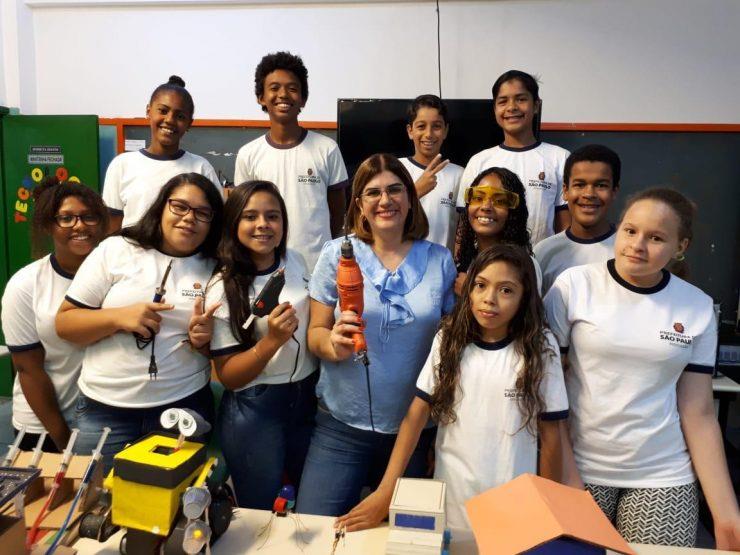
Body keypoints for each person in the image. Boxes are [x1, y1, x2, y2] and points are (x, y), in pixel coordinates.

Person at [544, 188, 740, 549]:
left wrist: (726, 514)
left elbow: (697, 413)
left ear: (680, 246)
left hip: (663, 475)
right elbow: (547, 393)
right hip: (579, 468)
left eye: (656, 237)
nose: (637, 245)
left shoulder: (695, 306)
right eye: (630, 231)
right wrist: (564, 473)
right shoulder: (575, 285)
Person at [337, 245, 570, 535]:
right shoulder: (449, 339)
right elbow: (415, 416)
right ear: (468, 289)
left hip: (517, 505)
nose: (489, 299)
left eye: (506, 290)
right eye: (481, 286)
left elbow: (552, 435)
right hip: (453, 502)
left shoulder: (540, 347)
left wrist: (547, 507)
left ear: (525, 298)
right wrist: (386, 493)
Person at [296, 153, 456, 516]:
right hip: (340, 427)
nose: (385, 200)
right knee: (315, 526)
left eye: (395, 189)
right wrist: (333, 345)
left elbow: (447, 348)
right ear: (359, 205)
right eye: (373, 193)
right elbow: (315, 333)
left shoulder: (439, 260)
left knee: (404, 540)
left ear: (411, 198)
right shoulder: (336, 254)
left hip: (414, 432)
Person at [56, 173, 224, 469]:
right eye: (180, 207)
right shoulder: (117, 249)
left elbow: (222, 353)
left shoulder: (217, 266)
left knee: (172, 505)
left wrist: (205, 342)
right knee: (96, 505)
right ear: (161, 207)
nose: (189, 218)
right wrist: (118, 317)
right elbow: (65, 324)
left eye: (202, 213)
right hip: (104, 411)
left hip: (182, 408)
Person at [208, 180, 317, 509]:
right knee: (258, 509)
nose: (263, 225)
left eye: (272, 216)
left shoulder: (294, 260)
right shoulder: (223, 286)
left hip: (306, 399)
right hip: (256, 409)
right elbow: (229, 376)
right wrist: (271, 341)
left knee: (307, 504)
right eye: (250, 216)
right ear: (234, 223)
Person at [1, 179, 108, 452]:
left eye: (88, 217)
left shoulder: (117, 276)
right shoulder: (26, 284)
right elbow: (28, 369)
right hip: (45, 423)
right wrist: (62, 438)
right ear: (49, 225)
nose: (80, 226)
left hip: (105, 418)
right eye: (66, 218)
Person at [234, 51, 348, 270]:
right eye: (274, 88)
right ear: (261, 97)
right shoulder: (248, 154)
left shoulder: (327, 149)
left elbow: (336, 214)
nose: (283, 94)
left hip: (318, 268)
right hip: (264, 268)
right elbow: (243, 215)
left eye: (292, 88)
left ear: (303, 98)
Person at [457, 70, 570, 245]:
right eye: (503, 101)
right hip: (486, 264)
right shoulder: (479, 161)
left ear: (536, 105)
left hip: (539, 266)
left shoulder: (559, 158)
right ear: (494, 109)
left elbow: (565, 229)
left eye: (521, 99)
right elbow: (464, 227)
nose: (511, 107)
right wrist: (463, 268)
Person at [103, 75, 222, 232]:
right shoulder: (122, 165)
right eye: (163, 111)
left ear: (189, 123)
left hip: (186, 256)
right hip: (133, 255)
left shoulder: (201, 168)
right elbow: (113, 225)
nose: (170, 120)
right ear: (148, 111)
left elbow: (217, 223)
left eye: (180, 116)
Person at [534, 144, 620, 293]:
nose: (589, 194)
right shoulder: (544, 252)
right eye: (579, 185)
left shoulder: (628, 249)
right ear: (565, 191)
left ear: (614, 192)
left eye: (601, 185)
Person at [455, 167, 542, 295]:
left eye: (499, 201)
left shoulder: (523, 265)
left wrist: (469, 291)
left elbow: (527, 314)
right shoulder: (465, 261)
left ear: (513, 212)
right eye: (478, 198)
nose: (486, 207)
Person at [399, 94, 463, 250]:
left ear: (446, 131)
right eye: (421, 126)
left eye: (436, 126)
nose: (429, 134)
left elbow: (462, 231)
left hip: (442, 268)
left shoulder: (459, 174)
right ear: (410, 131)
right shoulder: (395, 169)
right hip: (399, 266)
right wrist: (416, 192)